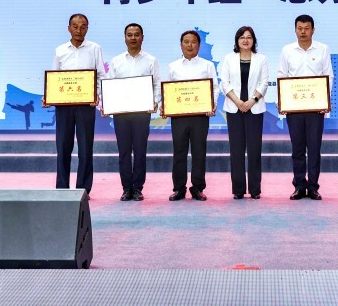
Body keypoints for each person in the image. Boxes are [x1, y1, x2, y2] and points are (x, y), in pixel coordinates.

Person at [277, 14, 334, 201]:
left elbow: (328, 75)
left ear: (313, 30)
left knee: (314, 148)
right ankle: (299, 186)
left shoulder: (323, 49)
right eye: (300, 28)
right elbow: (282, 75)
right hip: (294, 108)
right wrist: (283, 100)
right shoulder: (287, 50)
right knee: (298, 149)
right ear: (295, 30)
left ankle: (314, 187)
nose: (303, 32)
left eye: (307, 28)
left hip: (316, 108)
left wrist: (324, 100)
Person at [49, 13, 106, 195]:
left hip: (86, 106)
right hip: (64, 106)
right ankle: (62, 188)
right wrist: (49, 96)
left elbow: (101, 76)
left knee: (85, 148)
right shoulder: (60, 50)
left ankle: (83, 188)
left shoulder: (95, 48)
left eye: (83, 26)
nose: (79, 30)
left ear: (87, 28)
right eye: (75, 26)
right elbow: (54, 77)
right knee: (63, 147)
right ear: (69, 28)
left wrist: (98, 96)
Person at [103, 23, 161, 202]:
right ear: (125, 38)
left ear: (142, 37)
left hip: (142, 112)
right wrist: (107, 105)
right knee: (124, 151)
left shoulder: (151, 60)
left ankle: (137, 188)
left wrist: (154, 102)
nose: (133, 38)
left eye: (137, 34)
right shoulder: (116, 61)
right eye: (130, 35)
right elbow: (110, 85)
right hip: (121, 113)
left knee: (140, 150)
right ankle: (126, 188)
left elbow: (156, 84)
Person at [163, 30, 218, 202]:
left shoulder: (207, 65)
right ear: (181, 45)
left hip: (200, 116)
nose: (190, 45)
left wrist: (212, 105)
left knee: (199, 152)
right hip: (179, 116)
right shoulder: (173, 66)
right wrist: (165, 106)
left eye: (193, 42)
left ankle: (197, 188)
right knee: (179, 152)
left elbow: (214, 88)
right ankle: (179, 189)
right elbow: (168, 90)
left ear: (199, 45)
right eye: (186, 42)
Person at [218, 26, 269, 200]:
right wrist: (238, 102)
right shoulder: (229, 58)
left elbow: (264, 83)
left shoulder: (261, 59)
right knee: (236, 150)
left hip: (254, 108)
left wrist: (252, 100)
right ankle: (238, 189)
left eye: (249, 37)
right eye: (242, 37)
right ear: (237, 41)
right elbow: (225, 83)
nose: (245, 40)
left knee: (254, 150)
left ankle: (255, 190)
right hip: (234, 108)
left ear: (253, 40)